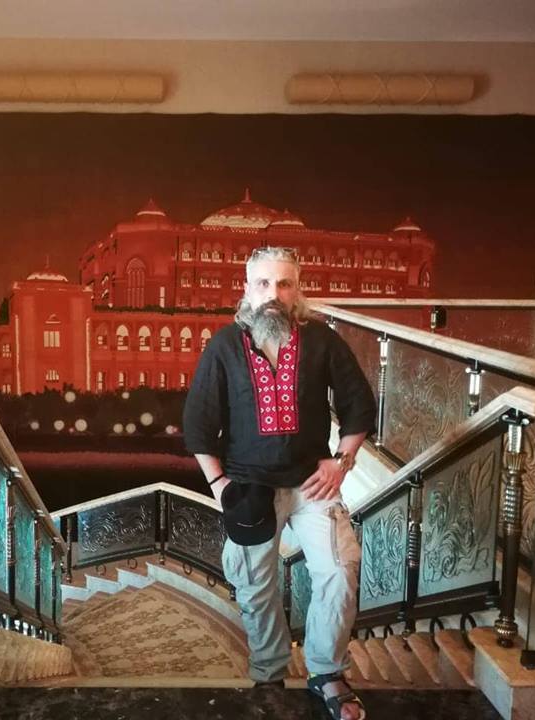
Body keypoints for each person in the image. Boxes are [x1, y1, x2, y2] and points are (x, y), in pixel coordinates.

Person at [183, 246, 376, 720]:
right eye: (264, 283)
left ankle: (326, 671)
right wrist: (219, 485)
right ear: (247, 290)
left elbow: (358, 404)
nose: (274, 293)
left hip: (313, 484)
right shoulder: (225, 346)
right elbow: (198, 423)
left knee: (340, 569)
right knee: (255, 585)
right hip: (249, 489)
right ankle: (268, 673)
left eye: (284, 283)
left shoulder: (322, 341)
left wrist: (342, 462)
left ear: (297, 290)